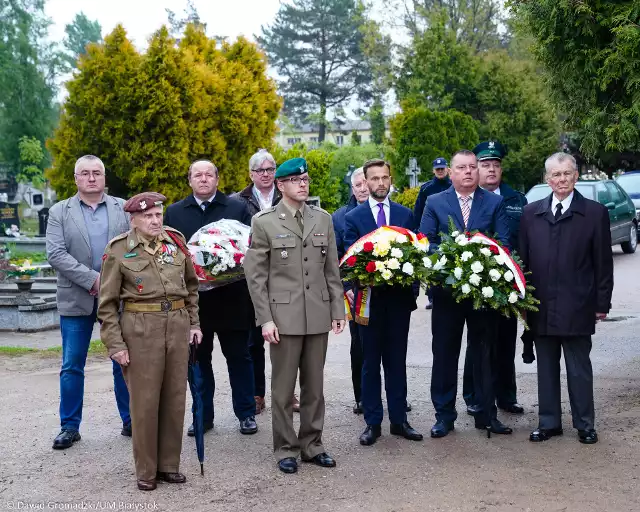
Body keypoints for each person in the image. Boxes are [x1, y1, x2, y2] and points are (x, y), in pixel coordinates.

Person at [244, 157, 345, 474]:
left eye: (306, 179)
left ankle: (312, 445)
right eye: (295, 180)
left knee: (315, 388)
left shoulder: (323, 219)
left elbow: (331, 269)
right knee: (284, 389)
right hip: (283, 318)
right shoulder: (264, 222)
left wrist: (337, 309)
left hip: (316, 313)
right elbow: (256, 275)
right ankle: (286, 448)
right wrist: (266, 319)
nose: (303, 184)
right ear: (280, 185)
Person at [98, 192, 202, 491]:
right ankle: (146, 471)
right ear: (133, 220)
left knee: (174, 398)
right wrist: (115, 344)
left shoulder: (176, 242)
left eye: (158, 215)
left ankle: (169, 465)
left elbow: (191, 288)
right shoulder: (118, 250)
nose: (155, 220)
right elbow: (106, 304)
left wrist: (194, 324)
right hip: (140, 329)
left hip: (177, 325)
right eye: (148, 216)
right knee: (144, 403)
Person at [519, 152, 613, 445]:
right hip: (541, 306)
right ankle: (549, 423)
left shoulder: (595, 213)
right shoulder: (530, 214)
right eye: (556, 175)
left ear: (576, 176)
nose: (562, 180)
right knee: (546, 368)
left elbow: (603, 263)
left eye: (567, 174)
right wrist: (522, 303)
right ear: (547, 179)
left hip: (578, 304)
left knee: (579, 368)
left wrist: (601, 303)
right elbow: (521, 263)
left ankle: (585, 424)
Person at [419, 149, 511, 438]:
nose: (469, 172)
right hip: (447, 295)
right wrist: (456, 253)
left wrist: (479, 257)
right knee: (445, 354)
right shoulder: (435, 201)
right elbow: (425, 242)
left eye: (473, 167)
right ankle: (444, 416)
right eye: (462, 167)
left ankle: (486, 413)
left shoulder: (494, 203)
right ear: (452, 171)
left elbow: (504, 243)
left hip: (484, 294)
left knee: (484, 354)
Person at [163, 160, 258, 436]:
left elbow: (248, 248)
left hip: (233, 298)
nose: (203, 179)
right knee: (198, 361)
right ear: (189, 180)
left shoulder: (236, 208)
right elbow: (170, 254)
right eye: (197, 175)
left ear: (217, 179)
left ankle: (246, 413)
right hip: (195, 306)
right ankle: (202, 416)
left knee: (239, 358)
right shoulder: (175, 212)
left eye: (209, 175)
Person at [46, 155, 131, 450]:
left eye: (97, 173)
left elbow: (134, 247)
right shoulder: (59, 211)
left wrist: (111, 282)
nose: (91, 178)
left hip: (120, 297)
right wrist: (94, 280)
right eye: (85, 173)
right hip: (76, 297)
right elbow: (56, 254)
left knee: (124, 360)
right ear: (76, 178)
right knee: (72, 364)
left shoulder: (123, 208)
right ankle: (69, 426)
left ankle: (131, 420)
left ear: (105, 178)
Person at [343, 159, 423, 446]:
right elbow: (348, 262)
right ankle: (373, 422)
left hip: (399, 303)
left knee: (396, 361)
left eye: (384, 178)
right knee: (369, 363)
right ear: (365, 182)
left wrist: (412, 292)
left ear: (390, 180)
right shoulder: (354, 218)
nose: (379, 183)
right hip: (368, 303)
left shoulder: (405, 215)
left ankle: (399, 420)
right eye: (373, 178)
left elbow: (416, 257)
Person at [463, 141, 527, 416]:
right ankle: (474, 396)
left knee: (505, 338)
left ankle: (506, 395)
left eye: (495, 165)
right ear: (476, 168)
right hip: (474, 282)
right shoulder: (468, 198)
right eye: (485, 165)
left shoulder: (516, 199)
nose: (491, 170)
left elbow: (524, 239)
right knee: (477, 341)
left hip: (507, 281)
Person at [231, 149, 283, 415]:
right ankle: (257, 392)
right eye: (260, 170)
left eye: (270, 169)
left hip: (284, 276)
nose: (266, 174)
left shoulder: (287, 195)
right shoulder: (237, 201)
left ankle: (287, 393)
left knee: (287, 339)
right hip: (251, 279)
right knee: (254, 340)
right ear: (251, 174)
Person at [332, 167, 369, 415]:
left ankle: (397, 396)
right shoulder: (340, 217)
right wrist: (346, 288)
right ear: (352, 188)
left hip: (387, 291)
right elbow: (335, 257)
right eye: (358, 184)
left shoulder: (388, 213)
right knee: (360, 346)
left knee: (392, 348)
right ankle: (362, 396)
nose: (363, 188)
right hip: (357, 293)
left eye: (367, 182)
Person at [413, 158, 451, 310]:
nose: (440, 171)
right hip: (431, 231)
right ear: (433, 170)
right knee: (432, 263)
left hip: (449, 230)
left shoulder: (453, 185)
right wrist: (417, 230)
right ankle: (432, 296)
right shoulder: (426, 189)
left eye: (443, 168)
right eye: (438, 169)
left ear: (447, 169)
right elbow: (418, 210)